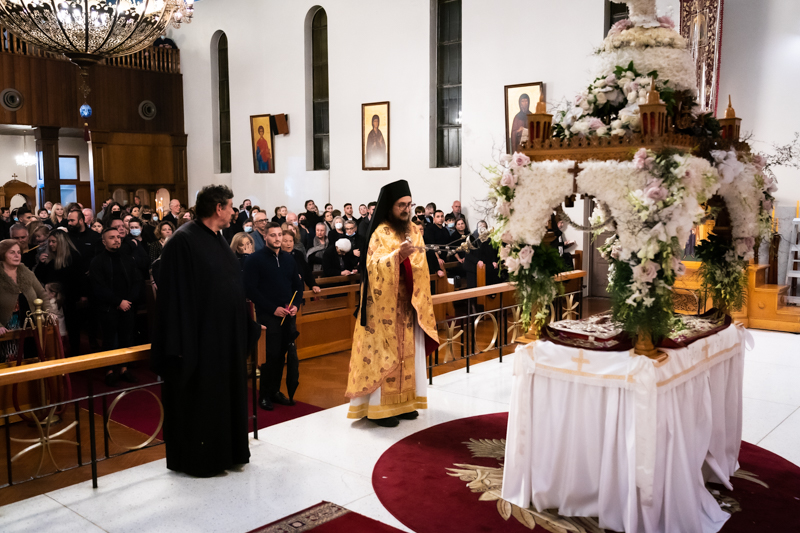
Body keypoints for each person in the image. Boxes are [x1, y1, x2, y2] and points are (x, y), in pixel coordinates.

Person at [151, 185, 253, 477]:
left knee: (226, 398)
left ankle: (228, 452)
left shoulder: (217, 238)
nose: (233, 211)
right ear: (218, 208)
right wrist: (182, 343)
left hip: (225, 339)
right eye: (230, 206)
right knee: (202, 402)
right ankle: (202, 459)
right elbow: (175, 298)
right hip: (200, 342)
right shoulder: (183, 241)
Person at [347, 180, 438, 427]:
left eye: (409, 204)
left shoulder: (414, 231)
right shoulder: (379, 233)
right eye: (401, 205)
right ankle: (381, 410)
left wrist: (409, 261)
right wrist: (397, 256)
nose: (406, 209)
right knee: (385, 355)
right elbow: (372, 267)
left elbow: (421, 264)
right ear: (390, 207)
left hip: (408, 304)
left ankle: (404, 403)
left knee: (407, 356)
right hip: (382, 308)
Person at [244, 222, 304, 410]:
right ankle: (264, 395)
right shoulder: (255, 259)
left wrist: (295, 304)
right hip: (268, 315)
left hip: (288, 314)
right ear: (265, 237)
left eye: (280, 235)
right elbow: (251, 290)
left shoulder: (288, 259)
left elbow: (298, 285)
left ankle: (276, 391)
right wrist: (272, 309)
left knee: (283, 354)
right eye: (273, 235)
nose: (278, 238)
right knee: (269, 356)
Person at [89, 227, 141, 385]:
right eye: (112, 237)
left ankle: (124, 369)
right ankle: (110, 370)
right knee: (109, 340)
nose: (117, 240)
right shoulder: (97, 261)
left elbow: (136, 281)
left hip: (127, 305)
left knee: (126, 337)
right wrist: (118, 302)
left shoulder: (127, 258)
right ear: (104, 241)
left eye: (118, 237)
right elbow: (98, 287)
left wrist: (128, 301)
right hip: (108, 307)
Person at [0, 240, 51, 362]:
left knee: (33, 357)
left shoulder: (25, 271)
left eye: (18, 252)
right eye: (12, 252)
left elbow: (42, 293)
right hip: (8, 328)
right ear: (2, 254)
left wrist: (49, 312)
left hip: (31, 323)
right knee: (12, 362)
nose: (17, 255)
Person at [424, 210, 451, 278]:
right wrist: (437, 258)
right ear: (434, 219)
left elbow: (448, 244)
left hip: (445, 257)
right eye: (438, 217)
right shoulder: (430, 229)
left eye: (442, 216)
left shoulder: (445, 230)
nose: (440, 218)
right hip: (435, 258)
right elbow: (431, 245)